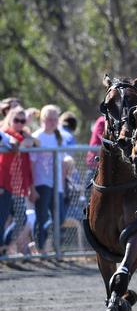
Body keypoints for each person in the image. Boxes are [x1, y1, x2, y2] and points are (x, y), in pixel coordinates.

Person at [0, 107, 38, 253]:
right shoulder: (5, 132)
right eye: (16, 120)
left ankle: (4, 246)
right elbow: (16, 142)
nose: (19, 123)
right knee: (2, 218)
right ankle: (2, 248)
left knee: (21, 218)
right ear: (10, 119)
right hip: (3, 182)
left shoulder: (25, 134)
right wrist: (27, 140)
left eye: (22, 121)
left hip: (18, 185)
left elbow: (33, 146)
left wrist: (30, 186)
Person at [30, 105, 67, 253]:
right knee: (42, 217)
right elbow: (32, 163)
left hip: (57, 183)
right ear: (43, 119)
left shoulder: (59, 137)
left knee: (60, 218)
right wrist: (31, 187)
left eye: (55, 119)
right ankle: (40, 249)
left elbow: (63, 159)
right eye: (49, 119)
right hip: (41, 182)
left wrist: (63, 182)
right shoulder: (37, 137)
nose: (52, 122)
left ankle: (55, 247)